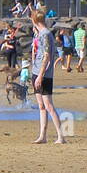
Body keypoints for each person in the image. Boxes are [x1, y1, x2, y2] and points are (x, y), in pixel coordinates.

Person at [29, 9, 66, 145]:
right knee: (41, 106)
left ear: (34, 20)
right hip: (36, 71)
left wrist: (40, 76)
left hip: (43, 74)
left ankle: (61, 136)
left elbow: (47, 57)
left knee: (49, 105)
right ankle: (42, 136)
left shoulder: (45, 34)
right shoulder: (40, 34)